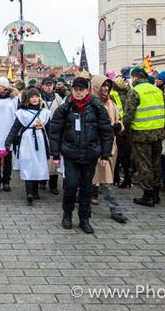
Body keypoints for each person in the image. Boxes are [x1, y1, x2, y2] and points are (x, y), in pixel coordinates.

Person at [50, 77, 113, 234]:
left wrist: (105, 155)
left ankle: (84, 218)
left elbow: (106, 132)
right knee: (70, 185)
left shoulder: (97, 107)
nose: (78, 93)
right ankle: (67, 214)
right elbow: (55, 133)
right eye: (75, 89)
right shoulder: (65, 108)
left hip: (90, 153)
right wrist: (56, 155)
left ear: (87, 90)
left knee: (87, 188)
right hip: (70, 153)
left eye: (81, 90)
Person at [123, 67, 165, 207]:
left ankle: (147, 195)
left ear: (136, 77)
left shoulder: (135, 92)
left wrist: (126, 128)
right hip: (158, 133)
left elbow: (128, 115)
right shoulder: (158, 90)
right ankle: (156, 195)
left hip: (141, 134)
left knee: (144, 164)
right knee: (156, 163)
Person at [90, 76, 127, 224]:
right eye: (103, 86)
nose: (105, 89)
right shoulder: (91, 104)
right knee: (105, 178)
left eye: (107, 86)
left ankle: (86, 198)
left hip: (111, 145)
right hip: (96, 146)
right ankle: (115, 209)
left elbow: (118, 120)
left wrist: (119, 126)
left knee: (103, 177)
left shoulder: (111, 103)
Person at [5, 88, 51, 205]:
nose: (35, 99)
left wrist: (55, 144)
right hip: (26, 140)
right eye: (32, 97)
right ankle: (29, 192)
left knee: (38, 165)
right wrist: (8, 141)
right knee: (27, 164)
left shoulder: (44, 113)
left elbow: (50, 130)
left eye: (37, 96)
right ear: (28, 99)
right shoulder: (22, 113)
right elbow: (15, 128)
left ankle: (35, 190)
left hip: (40, 140)